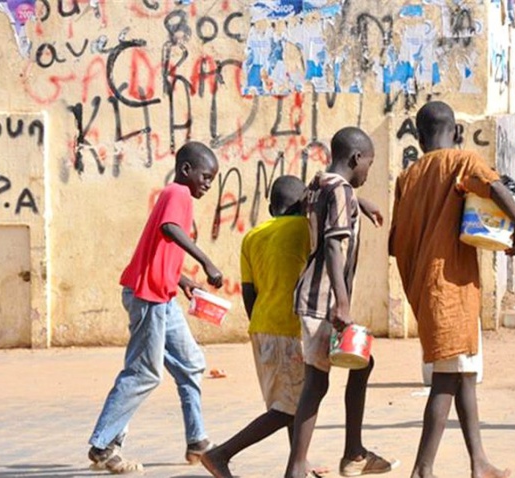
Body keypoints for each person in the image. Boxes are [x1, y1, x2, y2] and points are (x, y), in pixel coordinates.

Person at [390, 101, 515, 478]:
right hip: (448, 285)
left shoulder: (408, 176)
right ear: (456, 132)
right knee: (447, 378)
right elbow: (495, 187)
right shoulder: (462, 163)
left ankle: (478, 461)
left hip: (425, 285)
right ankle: (423, 468)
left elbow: (394, 241)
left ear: (418, 138)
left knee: (464, 373)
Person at [87, 141, 223, 473]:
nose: (208, 183)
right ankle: (103, 445)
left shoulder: (177, 197)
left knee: (191, 363)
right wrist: (206, 262)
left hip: (162, 295)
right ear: (187, 170)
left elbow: (159, 251)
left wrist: (184, 281)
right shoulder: (177, 193)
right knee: (143, 373)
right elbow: (169, 230)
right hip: (148, 297)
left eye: (212, 179)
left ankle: (197, 440)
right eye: (205, 176)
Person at [284, 127, 397, 478]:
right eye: (369, 165)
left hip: (315, 298)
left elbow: (316, 197)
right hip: (323, 300)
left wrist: (359, 202)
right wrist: (343, 304)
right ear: (355, 159)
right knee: (316, 384)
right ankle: (299, 467)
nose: (368, 173)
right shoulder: (341, 191)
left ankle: (353, 453)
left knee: (362, 364)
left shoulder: (322, 184)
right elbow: (333, 246)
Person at [200, 176, 311, 478]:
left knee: (292, 400)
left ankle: (297, 464)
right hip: (289, 327)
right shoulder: (305, 229)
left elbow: (249, 292)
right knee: (288, 408)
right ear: (304, 204)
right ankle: (221, 454)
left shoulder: (253, 236)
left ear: (272, 206)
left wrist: (261, 324)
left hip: (262, 325)